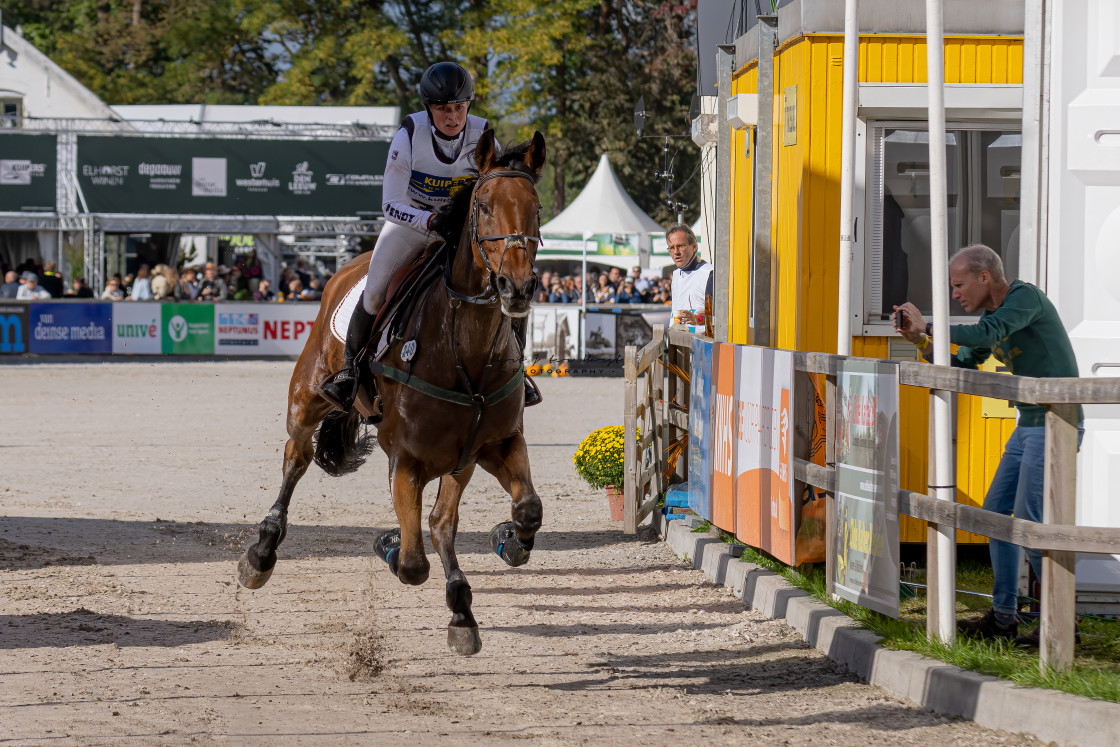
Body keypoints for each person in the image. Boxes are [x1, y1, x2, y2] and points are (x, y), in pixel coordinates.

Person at [320, 61, 542, 412]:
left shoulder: (484, 135)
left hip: (460, 229)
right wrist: (429, 220)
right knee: (375, 289)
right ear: (429, 108)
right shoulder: (409, 135)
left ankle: (517, 371)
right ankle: (349, 372)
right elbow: (390, 204)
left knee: (509, 279)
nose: (452, 117)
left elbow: (497, 193)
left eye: (459, 107)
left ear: (468, 105)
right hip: (411, 223)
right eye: (442, 109)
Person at [893, 244, 1082, 645]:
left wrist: (930, 327)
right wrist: (921, 341)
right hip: (1029, 422)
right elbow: (964, 362)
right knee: (995, 515)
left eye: (959, 285)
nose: (955, 294)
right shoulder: (991, 315)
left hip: (1055, 423)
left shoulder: (1023, 298)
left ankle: (1062, 621)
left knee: (1029, 519)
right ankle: (1003, 617)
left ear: (984, 276)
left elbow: (985, 335)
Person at [666, 223, 713, 326]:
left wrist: (697, 319)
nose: (676, 252)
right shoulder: (676, 274)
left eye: (680, 246)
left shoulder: (709, 274)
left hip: (701, 341)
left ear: (694, 246)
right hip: (677, 339)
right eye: (671, 248)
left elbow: (718, 316)